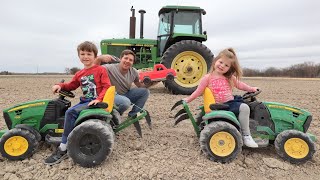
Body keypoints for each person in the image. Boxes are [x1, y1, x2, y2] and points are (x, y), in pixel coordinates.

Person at [44, 41, 111, 165]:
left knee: (70, 112)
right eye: (83, 54)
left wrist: (99, 99)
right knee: (69, 112)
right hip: (86, 101)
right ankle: (70, 133)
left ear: (95, 56)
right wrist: (60, 85)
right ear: (79, 56)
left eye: (89, 54)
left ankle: (63, 148)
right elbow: (71, 85)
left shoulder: (100, 70)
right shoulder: (79, 74)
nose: (85, 56)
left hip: (96, 101)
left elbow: (107, 87)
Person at [184, 48, 259, 148]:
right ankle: (246, 135)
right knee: (245, 108)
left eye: (226, 65)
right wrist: (188, 99)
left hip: (230, 102)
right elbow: (198, 91)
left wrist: (252, 89)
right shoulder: (207, 78)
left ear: (229, 68)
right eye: (221, 62)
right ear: (215, 61)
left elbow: (240, 85)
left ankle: (245, 127)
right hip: (220, 106)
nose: (222, 66)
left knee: (247, 104)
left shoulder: (229, 77)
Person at [95, 50, 150, 120]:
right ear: (121, 58)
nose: (127, 61)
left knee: (145, 92)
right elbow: (95, 69)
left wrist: (149, 84)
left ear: (133, 63)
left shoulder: (134, 72)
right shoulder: (109, 68)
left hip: (125, 94)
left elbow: (139, 85)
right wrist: (99, 59)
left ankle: (133, 115)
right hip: (111, 96)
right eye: (126, 58)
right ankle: (113, 116)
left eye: (131, 60)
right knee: (125, 102)